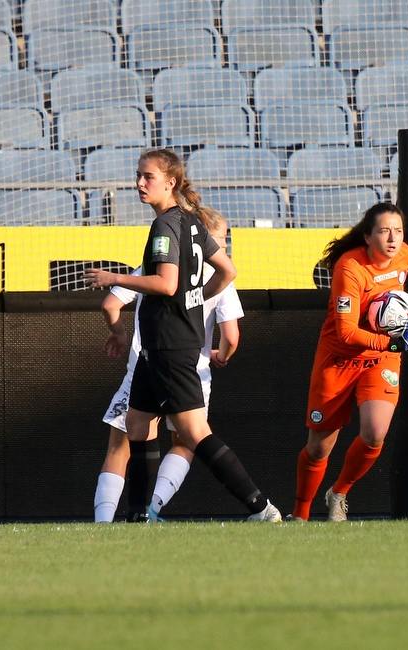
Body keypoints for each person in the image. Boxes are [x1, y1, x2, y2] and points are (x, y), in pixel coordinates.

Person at [84, 148, 280, 522]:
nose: (140, 183)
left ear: (170, 182)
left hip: (170, 347)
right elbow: (228, 271)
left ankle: (261, 508)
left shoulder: (166, 225)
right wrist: (198, 299)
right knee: (138, 425)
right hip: (157, 347)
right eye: (138, 175)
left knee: (193, 433)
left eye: (148, 177)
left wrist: (114, 278)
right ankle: (139, 516)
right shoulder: (192, 221)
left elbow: (166, 283)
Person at [92, 208, 244, 523]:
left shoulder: (154, 267)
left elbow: (111, 303)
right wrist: (222, 356)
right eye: (220, 240)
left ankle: (104, 523)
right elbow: (231, 335)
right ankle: (152, 508)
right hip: (189, 372)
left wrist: (118, 334)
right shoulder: (220, 281)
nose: (223, 247)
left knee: (121, 448)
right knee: (188, 441)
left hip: (141, 368)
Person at [293, 202, 408, 522]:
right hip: (338, 360)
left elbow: (393, 304)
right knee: (319, 448)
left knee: (376, 432)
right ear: (367, 236)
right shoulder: (349, 268)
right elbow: (347, 332)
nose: (393, 238)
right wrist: (390, 339)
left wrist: (404, 323)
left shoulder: (406, 255)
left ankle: (339, 493)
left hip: (380, 359)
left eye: (399, 230)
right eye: (384, 231)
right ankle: (300, 515)